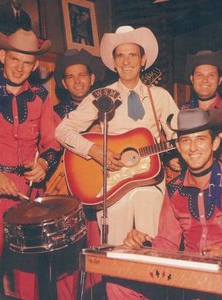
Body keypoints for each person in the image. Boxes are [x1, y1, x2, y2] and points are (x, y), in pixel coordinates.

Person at [106, 108, 222, 299]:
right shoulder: (174, 188)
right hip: (190, 280)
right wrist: (143, 243)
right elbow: (168, 242)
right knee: (117, 286)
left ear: (215, 142)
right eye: (186, 140)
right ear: (178, 145)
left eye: (200, 139)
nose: (193, 148)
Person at [55, 25, 180, 245]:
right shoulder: (101, 96)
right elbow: (62, 130)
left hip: (149, 185)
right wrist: (92, 150)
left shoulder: (159, 97)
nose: (126, 61)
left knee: (149, 248)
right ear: (113, 62)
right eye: (120, 55)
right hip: (111, 185)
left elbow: (179, 135)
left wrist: (179, 156)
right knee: (114, 251)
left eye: (132, 54)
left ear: (143, 60)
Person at [0, 29, 62, 299]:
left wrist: (44, 163)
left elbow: (53, 142)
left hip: (28, 194)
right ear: (2, 56)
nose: (20, 68)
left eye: (26, 63)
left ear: (35, 65)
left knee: (28, 274)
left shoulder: (41, 96)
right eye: (14, 60)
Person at [50, 48, 104, 297]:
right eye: (70, 76)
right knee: (67, 260)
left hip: (99, 190)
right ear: (63, 83)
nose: (78, 80)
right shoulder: (54, 114)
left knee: (98, 255)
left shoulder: (107, 109)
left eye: (82, 74)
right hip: (67, 195)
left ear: (92, 78)